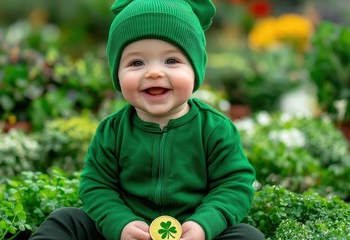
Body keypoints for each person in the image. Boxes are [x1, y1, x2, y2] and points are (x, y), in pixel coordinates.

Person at [30, 0, 265, 239]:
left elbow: (234, 184)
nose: (154, 72)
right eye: (136, 63)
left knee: (247, 235)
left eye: (171, 61)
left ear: (195, 69)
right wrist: (119, 224)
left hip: (192, 232)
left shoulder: (215, 128)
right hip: (127, 233)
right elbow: (97, 186)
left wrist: (205, 224)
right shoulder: (113, 131)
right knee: (67, 220)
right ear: (117, 74)